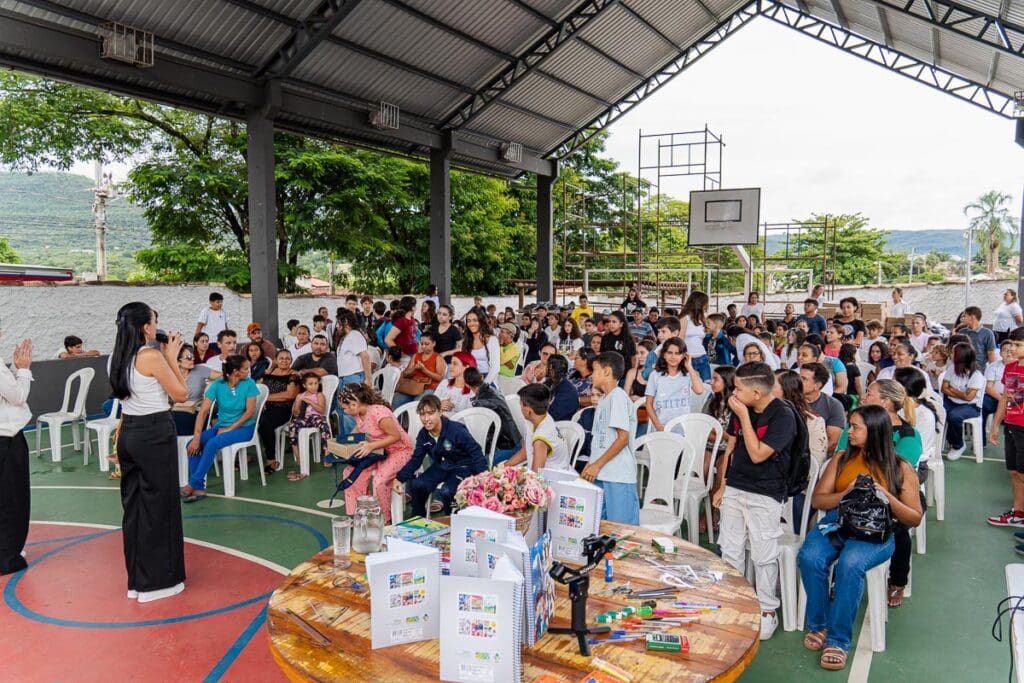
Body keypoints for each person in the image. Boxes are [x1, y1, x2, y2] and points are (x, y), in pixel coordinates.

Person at [798, 405, 922, 670]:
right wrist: (847, 493)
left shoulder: (899, 468)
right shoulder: (842, 459)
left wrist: (886, 496)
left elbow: (914, 517)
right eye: (849, 426)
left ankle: (838, 639)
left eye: (855, 427)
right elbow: (820, 500)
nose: (849, 432)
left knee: (850, 565)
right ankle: (819, 624)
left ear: (875, 431)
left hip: (875, 532)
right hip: (838, 523)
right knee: (809, 557)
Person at [109, 302, 188, 602]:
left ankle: (137, 580)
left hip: (129, 432)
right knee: (161, 505)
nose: (157, 324)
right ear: (146, 327)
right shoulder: (151, 356)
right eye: (155, 319)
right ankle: (160, 583)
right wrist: (171, 359)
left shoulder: (117, 356)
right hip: (154, 433)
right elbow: (181, 394)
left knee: (135, 506)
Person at [715, 362, 796, 641]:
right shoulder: (742, 408)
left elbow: (759, 453)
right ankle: (734, 598)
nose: (733, 393)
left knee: (763, 554)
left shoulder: (783, 416)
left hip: (766, 492)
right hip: (737, 486)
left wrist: (743, 417)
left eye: (738, 388)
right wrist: (723, 485)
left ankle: (766, 610)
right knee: (730, 548)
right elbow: (734, 448)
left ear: (757, 393)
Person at [393, 395, 487, 518]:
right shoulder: (423, 435)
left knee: (447, 491)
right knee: (417, 485)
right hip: (441, 466)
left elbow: (476, 451)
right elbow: (416, 459)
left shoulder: (456, 430)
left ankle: (453, 521)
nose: (426, 419)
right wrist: (399, 478)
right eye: (422, 414)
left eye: (431, 413)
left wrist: (484, 478)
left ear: (440, 412)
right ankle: (418, 520)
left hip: (463, 466)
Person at [183, 356, 258, 502]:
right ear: (236, 371)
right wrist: (197, 437)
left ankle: (193, 483)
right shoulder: (218, 384)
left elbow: (249, 412)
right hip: (222, 426)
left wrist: (230, 428)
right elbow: (203, 411)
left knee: (212, 443)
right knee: (191, 445)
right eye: (245, 369)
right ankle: (199, 488)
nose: (248, 371)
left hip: (244, 428)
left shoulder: (249, 384)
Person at [337, 383, 413, 523]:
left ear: (354, 404)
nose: (345, 411)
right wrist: (343, 444)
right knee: (350, 473)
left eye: (345, 407)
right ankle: (361, 513)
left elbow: (395, 436)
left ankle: (384, 519)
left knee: (379, 481)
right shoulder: (359, 413)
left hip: (399, 451)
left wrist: (371, 446)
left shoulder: (379, 413)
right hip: (378, 451)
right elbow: (358, 430)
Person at [580, 352, 639, 524]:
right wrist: (591, 464)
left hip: (618, 475)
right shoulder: (605, 400)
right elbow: (602, 440)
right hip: (602, 473)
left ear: (606, 371)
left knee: (621, 531)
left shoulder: (618, 396)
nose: (592, 374)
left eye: (595, 370)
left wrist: (596, 465)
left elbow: (623, 438)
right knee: (601, 528)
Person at [0, 337, 32, 575]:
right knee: (12, 499)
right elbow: (18, 397)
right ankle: (8, 556)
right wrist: (23, 369)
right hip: (6, 440)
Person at [988, 327, 1024, 529]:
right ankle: (1018, 513)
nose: (1014, 350)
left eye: (1018, 346)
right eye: (1013, 345)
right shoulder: (1011, 368)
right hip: (1011, 426)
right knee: (1015, 472)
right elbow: (1005, 398)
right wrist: (995, 425)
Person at [506, 383, 571, 472]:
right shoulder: (541, 417)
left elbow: (536, 475)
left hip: (553, 480)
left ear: (528, 411)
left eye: (520, 405)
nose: (520, 408)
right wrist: (504, 466)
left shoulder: (540, 440)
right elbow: (527, 450)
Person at [645, 337, 704, 433]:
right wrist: (658, 426)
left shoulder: (689, 374)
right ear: (664, 354)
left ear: (684, 356)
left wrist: (689, 366)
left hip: (683, 428)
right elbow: (648, 404)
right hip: (661, 427)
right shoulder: (655, 375)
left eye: (677, 353)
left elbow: (699, 390)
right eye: (669, 353)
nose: (673, 357)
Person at [464, 367, 521, 466]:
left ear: (467, 385)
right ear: (482, 377)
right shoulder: (493, 389)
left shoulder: (481, 404)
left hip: (507, 447)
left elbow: (485, 437)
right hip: (515, 441)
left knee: (474, 464)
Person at [258, 350, 299, 474]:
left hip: (282, 409)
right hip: (265, 407)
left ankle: (271, 459)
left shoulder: (293, 375)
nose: (284, 361)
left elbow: (290, 395)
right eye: (281, 358)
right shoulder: (269, 373)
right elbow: (257, 388)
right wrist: (262, 401)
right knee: (250, 418)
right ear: (275, 360)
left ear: (291, 361)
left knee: (265, 422)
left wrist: (266, 398)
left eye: (287, 358)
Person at [941, 342, 985, 460]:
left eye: (953, 353)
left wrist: (952, 389)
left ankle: (958, 445)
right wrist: (960, 393)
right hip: (951, 401)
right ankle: (938, 442)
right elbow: (943, 388)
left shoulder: (976, 375)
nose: (950, 355)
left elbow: (969, 398)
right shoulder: (952, 368)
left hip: (971, 406)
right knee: (937, 411)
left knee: (954, 416)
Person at [285, 374, 331, 480]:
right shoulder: (300, 396)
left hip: (315, 417)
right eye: (310, 384)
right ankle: (297, 455)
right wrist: (298, 408)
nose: (314, 386)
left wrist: (310, 402)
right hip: (304, 419)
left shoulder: (319, 395)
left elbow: (321, 410)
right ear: (304, 385)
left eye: (316, 384)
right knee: (292, 427)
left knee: (324, 425)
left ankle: (327, 454)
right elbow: (296, 413)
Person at [800, 363, 846, 455]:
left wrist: (807, 457)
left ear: (817, 385)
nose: (798, 381)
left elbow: (832, 442)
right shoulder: (789, 400)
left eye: (804, 379)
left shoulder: (834, 406)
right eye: (799, 377)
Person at [393, 330, 444, 409]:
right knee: (396, 400)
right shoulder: (416, 356)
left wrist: (424, 370)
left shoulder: (438, 357)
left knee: (418, 404)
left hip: (429, 387)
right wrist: (414, 369)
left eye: (427, 344)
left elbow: (439, 378)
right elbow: (405, 374)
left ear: (434, 344)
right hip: (413, 386)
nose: (423, 346)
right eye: (422, 344)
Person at [172, 344, 211, 437]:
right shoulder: (170, 375)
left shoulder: (200, 370)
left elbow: (223, 376)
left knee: (176, 421)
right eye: (189, 357)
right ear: (178, 361)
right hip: (174, 412)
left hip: (195, 412)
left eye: (193, 356)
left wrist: (211, 385)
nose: (193, 359)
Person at [463, 309, 501, 386]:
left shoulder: (492, 340)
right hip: (470, 378)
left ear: (481, 321)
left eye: (475, 320)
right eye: (468, 321)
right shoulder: (466, 340)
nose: (471, 323)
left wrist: (482, 386)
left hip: (487, 379)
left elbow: (495, 368)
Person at [679, 291, 711, 382]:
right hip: (688, 358)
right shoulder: (684, 318)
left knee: (707, 386)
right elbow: (680, 339)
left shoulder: (702, 318)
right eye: (706, 303)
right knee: (689, 387)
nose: (707, 305)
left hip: (702, 357)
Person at [985, 341, 1015, 429]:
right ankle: (981, 439)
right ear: (1001, 353)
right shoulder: (993, 366)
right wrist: (1003, 400)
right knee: (982, 406)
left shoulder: (1020, 365)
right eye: (1005, 351)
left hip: (1014, 398)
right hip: (995, 396)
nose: (1009, 353)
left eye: (1011, 350)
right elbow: (989, 387)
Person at [958, 306, 997, 370]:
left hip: (979, 368)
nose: (961, 318)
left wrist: (993, 371)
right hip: (962, 368)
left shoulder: (988, 333)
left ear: (972, 317)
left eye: (964, 316)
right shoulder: (961, 331)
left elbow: (991, 353)